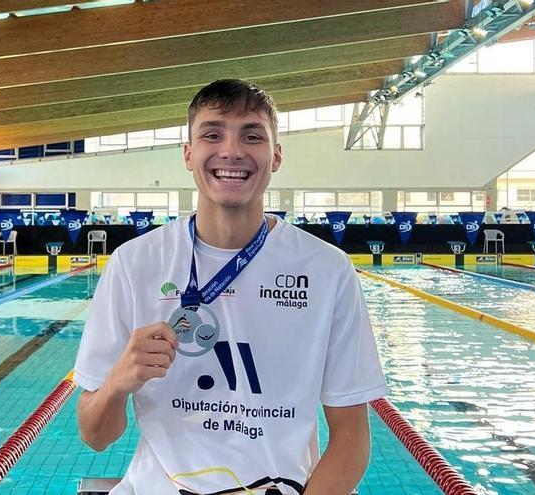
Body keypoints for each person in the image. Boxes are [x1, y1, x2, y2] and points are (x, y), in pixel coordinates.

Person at [74, 79, 386, 495]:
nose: (232, 151)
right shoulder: (134, 264)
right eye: (212, 134)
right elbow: (95, 436)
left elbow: (351, 438)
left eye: (252, 136)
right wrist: (117, 381)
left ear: (275, 156)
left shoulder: (327, 269)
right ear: (188, 154)